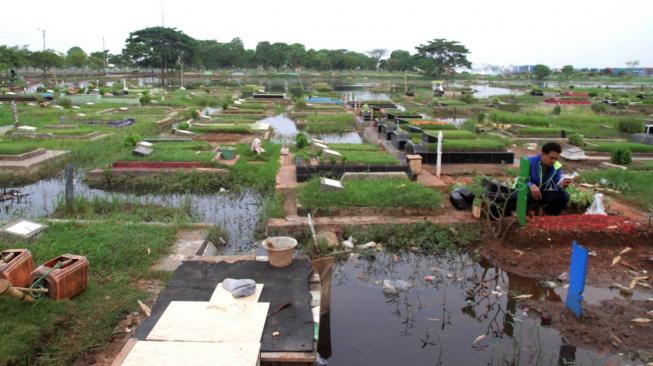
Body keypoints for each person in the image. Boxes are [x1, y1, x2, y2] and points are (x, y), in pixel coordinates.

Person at [526, 142, 571, 215]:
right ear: (543, 154)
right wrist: (531, 185)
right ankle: (525, 215)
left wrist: (562, 185)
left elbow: (557, 182)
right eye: (551, 158)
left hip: (544, 193)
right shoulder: (529, 161)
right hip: (529, 192)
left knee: (564, 196)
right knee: (524, 194)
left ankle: (548, 216)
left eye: (556, 159)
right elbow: (521, 180)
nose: (553, 161)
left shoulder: (556, 166)